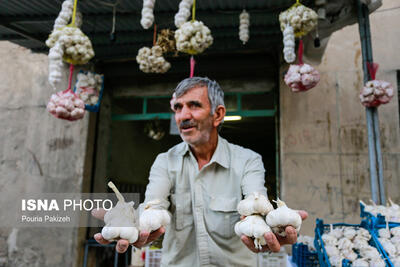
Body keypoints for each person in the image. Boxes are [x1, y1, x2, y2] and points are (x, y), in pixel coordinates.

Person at [92, 77, 307, 266]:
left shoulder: (248, 160)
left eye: (193, 105)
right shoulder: (164, 162)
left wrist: (270, 227)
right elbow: (154, 208)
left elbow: (255, 203)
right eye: (178, 107)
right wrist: (135, 222)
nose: (183, 115)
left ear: (217, 114)